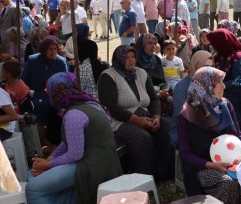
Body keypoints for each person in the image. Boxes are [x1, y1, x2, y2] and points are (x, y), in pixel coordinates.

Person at [176, 67, 241, 203]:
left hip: (232, 160)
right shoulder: (186, 116)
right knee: (228, 183)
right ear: (205, 86)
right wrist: (211, 165)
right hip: (202, 167)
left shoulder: (225, 105)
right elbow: (185, 154)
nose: (224, 86)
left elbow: (239, 135)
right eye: (218, 83)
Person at [26, 73, 122, 204]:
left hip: (94, 166)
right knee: (32, 174)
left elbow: (75, 154)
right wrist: (50, 158)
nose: (46, 92)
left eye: (48, 90)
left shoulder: (73, 114)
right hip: (102, 161)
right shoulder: (89, 104)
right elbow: (68, 142)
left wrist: (49, 165)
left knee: (33, 188)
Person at [98, 45, 174, 179]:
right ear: (118, 59)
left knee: (167, 127)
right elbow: (110, 106)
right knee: (142, 138)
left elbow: (154, 99)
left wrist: (156, 117)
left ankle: (164, 172)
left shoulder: (141, 73)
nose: (131, 60)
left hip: (146, 117)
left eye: (133, 56)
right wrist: (136, 120)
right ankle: (145, 178)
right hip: (120, 122)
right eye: (126, 57)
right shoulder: (108, 76)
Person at [22, 36, 69, 126]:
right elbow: (24, 79)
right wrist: (28, 91)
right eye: (50, 49)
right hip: (36, 93)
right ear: (44, 49)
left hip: (55, 94)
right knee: (38, 105)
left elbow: (66, 80)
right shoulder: (33, 60)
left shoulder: (61, 62)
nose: (53, 52)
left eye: (55, 49)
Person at [171, 51, 213, 146]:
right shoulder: (182, 86)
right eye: (205, 66)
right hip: (185, 130)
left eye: (211, 67)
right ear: (196, 66)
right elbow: (181, 115)